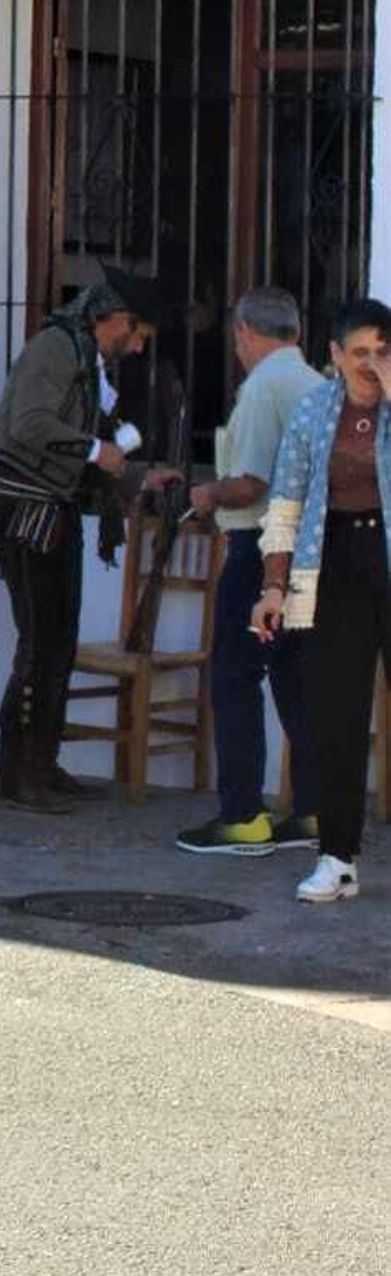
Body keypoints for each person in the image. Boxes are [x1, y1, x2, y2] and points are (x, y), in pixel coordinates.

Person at [0, 266, 177, 815]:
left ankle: (41, 761)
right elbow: (29, 425)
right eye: (137, 336)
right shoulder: (55, 349)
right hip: (27, 513)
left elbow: (95, 448)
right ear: (118, 319)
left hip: (54, 513)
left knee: (57, 640)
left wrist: (136, 477)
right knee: (40, 640)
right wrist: (92, 452)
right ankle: (18, 772)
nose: (135, 349)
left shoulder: (88, 363)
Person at [174, 287, 322, 857]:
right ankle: (311, 810)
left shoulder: (263, 387)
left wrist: (207, 493)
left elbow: (252, 481)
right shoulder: (314, 384)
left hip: (260, 548)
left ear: (244, 332)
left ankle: (243, 817)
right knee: (293, 679)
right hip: (308, 552)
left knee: (235, 676)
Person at [253, 296, 391, 904]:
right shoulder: (313, 412)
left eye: (381, 353)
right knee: (337, 717)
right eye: (358, 352)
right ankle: (337, 857)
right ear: (333, 356)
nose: (370, 364)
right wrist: (273, 587)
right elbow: (284, 506)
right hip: (333, 562)